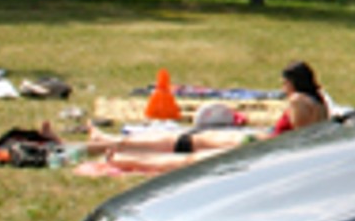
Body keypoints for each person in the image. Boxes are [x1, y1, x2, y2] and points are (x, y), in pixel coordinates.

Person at [79, 61, 331, 171]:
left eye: (284, 83)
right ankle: (109, 145)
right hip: (261, 142)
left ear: (292, 82)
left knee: (190, 157)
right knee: (186, 142)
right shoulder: (320, 101)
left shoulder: (298, 101)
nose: (282, 88)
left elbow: (296, 139)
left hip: (263, 149)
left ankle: (118, 154)